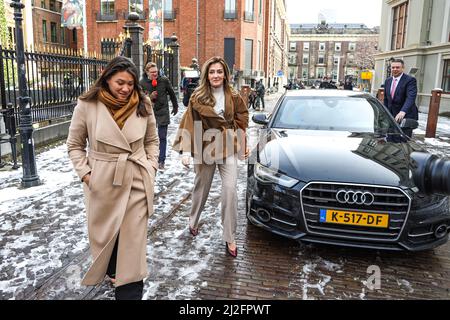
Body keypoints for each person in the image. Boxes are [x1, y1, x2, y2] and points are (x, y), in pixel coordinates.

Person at [66, 56, 159, 300]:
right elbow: (74, 145)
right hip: (102, 181)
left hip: (136, 179)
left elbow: (151, 140)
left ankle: (129, 289)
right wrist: (86, 174)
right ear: (107, 79)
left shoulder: (143, 103)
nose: (126, 89)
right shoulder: (88, 105)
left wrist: (151, 166)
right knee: (108, 241)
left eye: (130, 83)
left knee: (133, 246)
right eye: (120, 82)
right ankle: (113, 270)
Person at [172, 56, 249, 258]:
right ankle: (193, 220)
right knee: (202, 187)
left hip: (228, 145)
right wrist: (187, 151)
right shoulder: (197, 97)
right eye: (212, 72)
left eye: (219, 72)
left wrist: (243, 144)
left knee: (230, 190)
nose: (216, 75)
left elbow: (242, 120)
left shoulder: (233, 95)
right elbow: (189, 121)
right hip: (205, 145)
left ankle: (229, 236)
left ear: (225, 75)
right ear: (207, 75)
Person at [140, 62, 179, 170]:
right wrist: (149, 96)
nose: (155, 74)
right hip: (148, 113)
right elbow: (139, 99)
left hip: (162, 111)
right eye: (152, 72)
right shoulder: (142, 83)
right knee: (148, 138)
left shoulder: (164, 80)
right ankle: (148, 158)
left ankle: (161, 161)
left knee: (162, 137)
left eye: (156, 72)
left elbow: (171, 93)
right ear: (147, 72)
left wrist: (175, 106)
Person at [383, 58, 418, 137]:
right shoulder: (387, 81)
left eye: (397, 67)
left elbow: (411, 97)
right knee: (390, 140)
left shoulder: (410, 80)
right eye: (393, 67)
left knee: (404, 142)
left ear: (403, 68)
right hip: (391, 117)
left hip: (405, 116)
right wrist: (384, 112)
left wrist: (403, 111)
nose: (395, 69)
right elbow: (386, 99)